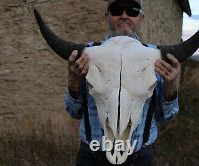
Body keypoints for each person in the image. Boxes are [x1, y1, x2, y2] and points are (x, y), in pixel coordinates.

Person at [65, 0, 180, 165]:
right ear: (107, 16)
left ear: (141, 18)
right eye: (117, 10)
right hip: (91, 157)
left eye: (132, 11)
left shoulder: (158, 58)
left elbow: (165, 117)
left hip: (140, 157)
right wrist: (74, 83)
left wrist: (170, 88)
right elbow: (73, 111)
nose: (124, 16)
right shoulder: (86, 56)